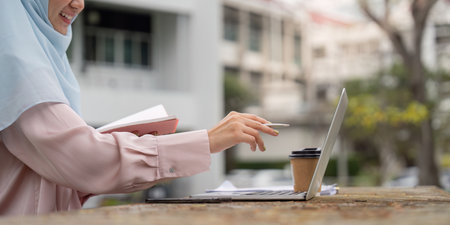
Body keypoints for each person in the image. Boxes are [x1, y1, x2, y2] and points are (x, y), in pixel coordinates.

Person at [0, 0, 279, 216]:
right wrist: (206, 141)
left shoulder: (39, 58)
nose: (79, 4)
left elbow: (59, 172)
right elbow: (85, 158)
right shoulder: (15, 63)